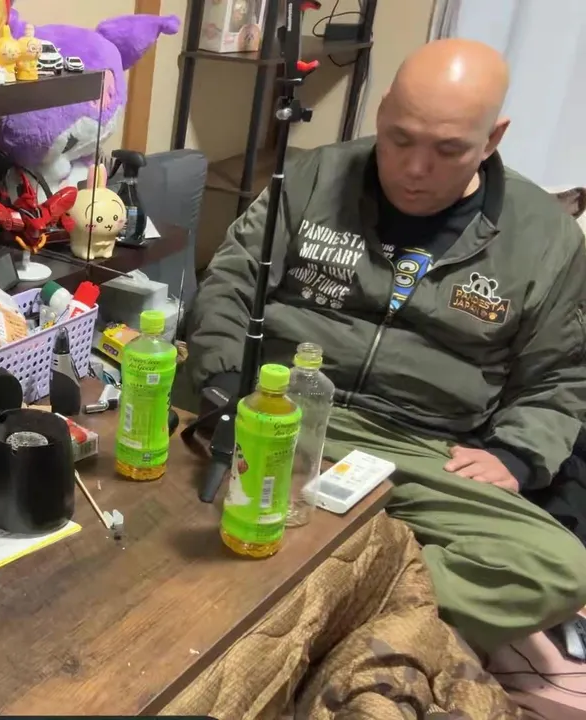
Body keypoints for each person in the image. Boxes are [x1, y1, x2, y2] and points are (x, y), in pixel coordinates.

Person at [188, 38, 586, 653]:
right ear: (381, 113)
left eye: (447, 150)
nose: (414, 168)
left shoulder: (548, 237)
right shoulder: (313, 177)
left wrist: (518, 454)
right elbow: (231, 280)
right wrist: (223, 381)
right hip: (273, 411)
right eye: (399, 138)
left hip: (416, 448)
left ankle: (317, 603)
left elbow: (559, 375)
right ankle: (353, 593)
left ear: (492, 139)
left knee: (555, 569)